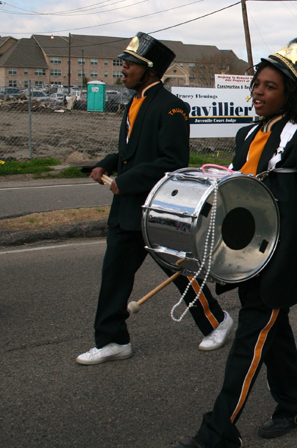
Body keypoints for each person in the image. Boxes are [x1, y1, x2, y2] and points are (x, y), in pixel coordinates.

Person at [174, 39, 297, 448]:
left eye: (269, 86)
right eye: (256, 85)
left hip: (283, 258)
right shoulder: (247, 132)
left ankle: (218, 433)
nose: (258, 93)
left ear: (289, 93)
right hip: (248, 254)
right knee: (274, 332)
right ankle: (295, 404)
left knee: (249, 342)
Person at [77, 33, 231, 366]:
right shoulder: (134, 102)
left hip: (157, 207)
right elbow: (131, 152)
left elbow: (171, 161)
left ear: (148, 70)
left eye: (129, 64)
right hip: (125, 210)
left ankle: (218, 322)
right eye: (124, 64)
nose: (123, 70)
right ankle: (113, 340)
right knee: (114, 275)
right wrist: (107, 163)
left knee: (181, 272)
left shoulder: (172, 107)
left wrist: (127, 181)